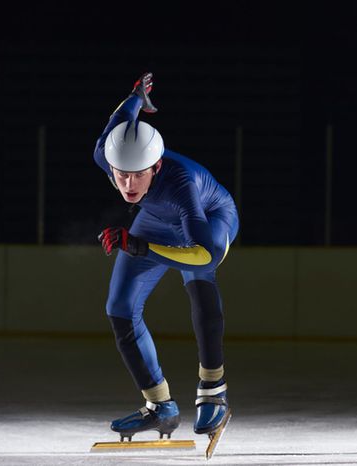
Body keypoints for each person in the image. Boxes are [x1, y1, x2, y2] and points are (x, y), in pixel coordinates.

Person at [93, 73, 238, 443]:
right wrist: (137, 96)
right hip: (156, 220)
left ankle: (214, 390)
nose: (128, 185)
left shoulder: (181, 183)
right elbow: (122, 117)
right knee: (120, 307)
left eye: (138, 176)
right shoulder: (106, 151)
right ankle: (160, 407)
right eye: (120, 175)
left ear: (156, 167)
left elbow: (204, 254)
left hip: (208, 218)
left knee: (199, 280)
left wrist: (139, 246)